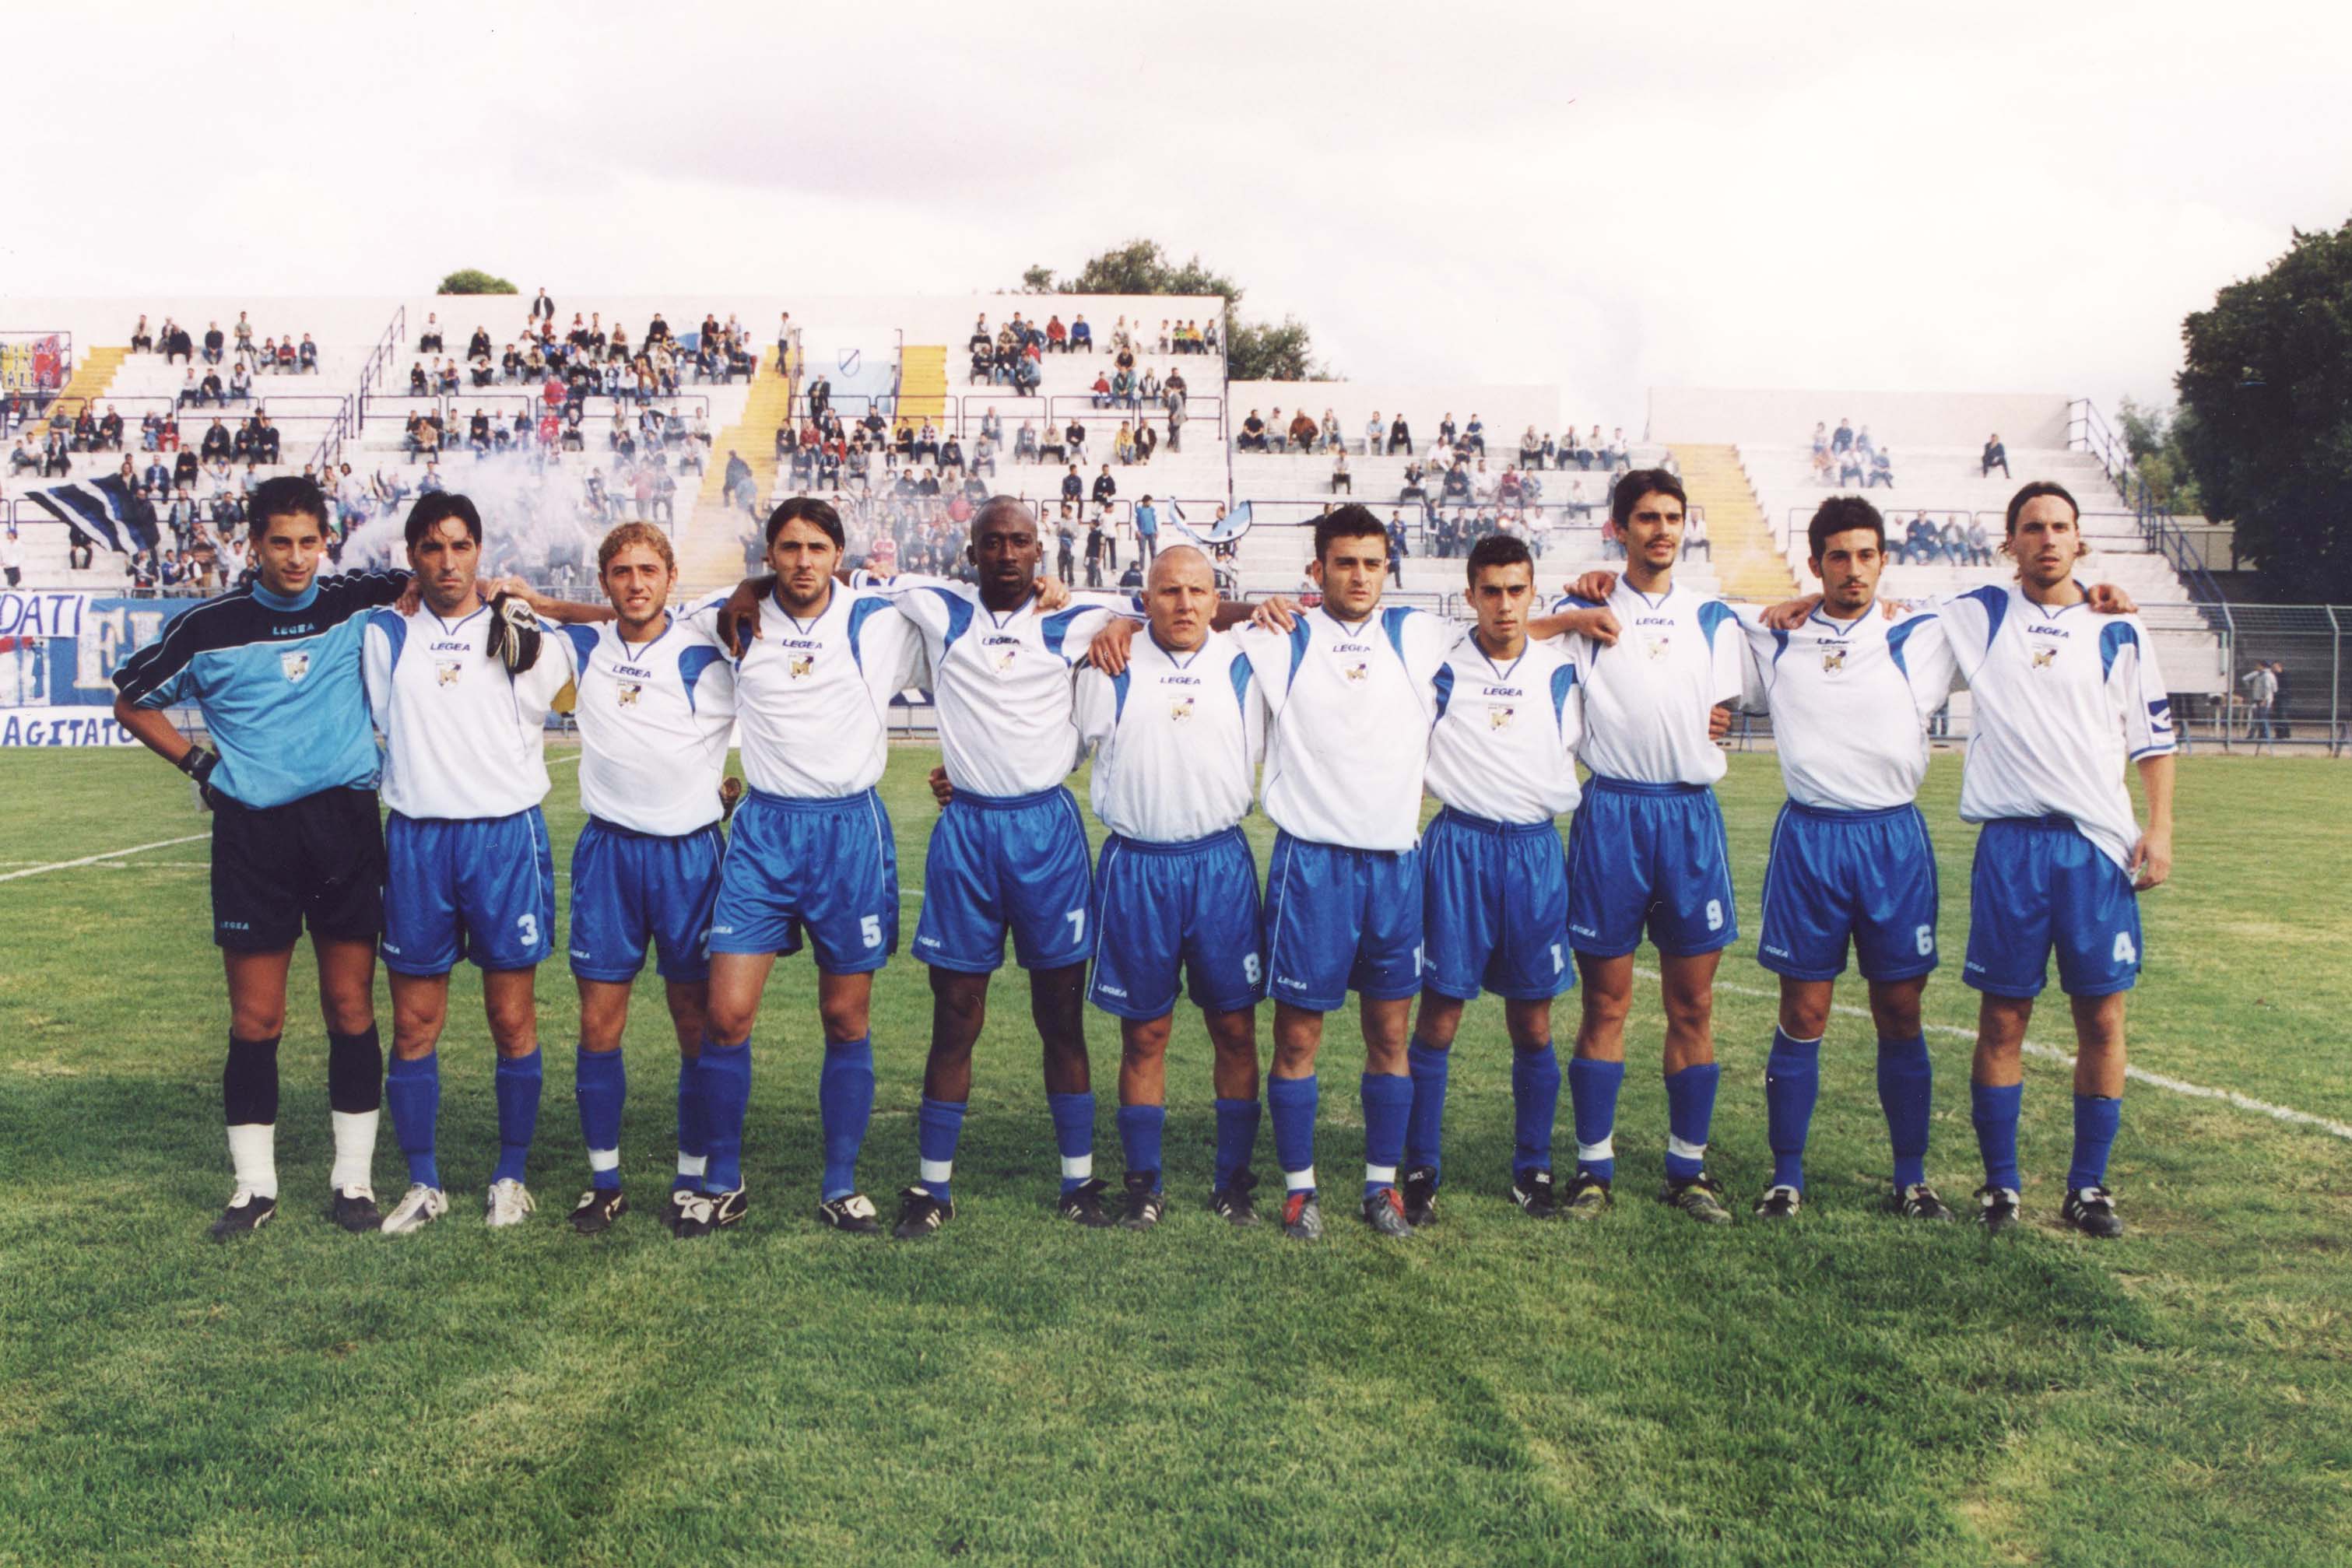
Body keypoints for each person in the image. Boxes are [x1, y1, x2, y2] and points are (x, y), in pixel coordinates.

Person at [109, 477, 416, 1238]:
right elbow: (132, 699)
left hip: (343, 825)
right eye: (279, 541)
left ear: (326, 541)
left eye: (308, 541)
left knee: (350, 1007)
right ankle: (254, 1187)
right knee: (257, 1018)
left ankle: (353, 1180)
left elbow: (438, 579)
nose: (295, 557)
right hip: (254, 836)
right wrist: (200, 767)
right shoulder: (207, 625)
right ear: (252, 544)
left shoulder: (353, 596)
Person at [866, 500, 1135, 1237]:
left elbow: (1172, 610)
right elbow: (841, 586)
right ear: (972, 550)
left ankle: (1078, 1181)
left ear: (1038, 549)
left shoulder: (1072, 617)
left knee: (1061, 1016)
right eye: (994, 542)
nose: (1008, 554)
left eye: (1020, 541)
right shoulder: (938, 607)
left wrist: (1122, 622)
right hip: (970, 832)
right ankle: (931, 1187)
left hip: (1045, 831)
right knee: (954, 1016)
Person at [1938, 482, 2175, 1237]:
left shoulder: (2120, 627)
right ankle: (1999, 1187)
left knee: (2101, 1017)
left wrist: (2160, 828)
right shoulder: (1975, 614)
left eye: (2060, 527)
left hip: (2093, 849)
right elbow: (1869, 622)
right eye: (2031, 527)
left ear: (2080, 539)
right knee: (2002, 1015)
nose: (2046, 539)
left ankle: (2087, 1187)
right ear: (2008, 541)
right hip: (2010, 844)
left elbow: (2153, 739)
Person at [696, 500, 928, 1236]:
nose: (803, 560)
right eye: (789, 547)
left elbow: (985, 624)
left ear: (839, 553)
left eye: (817, 547)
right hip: (764, 831)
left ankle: (840, 1182)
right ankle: (723, 1179)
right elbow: (630, 612)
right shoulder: (730, 616)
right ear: (769, 553)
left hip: (846, 833)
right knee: (726, 1014)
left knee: (844, 1015)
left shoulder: (877, 621)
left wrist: (1088, 609)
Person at [1229, 507, 1458, 1239]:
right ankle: (1300, 1190)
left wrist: (1580, 611)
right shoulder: (1281, 637)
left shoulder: (1416, 634)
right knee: (1297, 1038)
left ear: (1388, 567)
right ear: (1315, 570)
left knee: (1390, 1035)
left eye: (1372, 562)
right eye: (1344, 562)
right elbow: (1185, 614)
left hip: (1394, 863)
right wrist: (1245, 605)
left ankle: (1380, 1188)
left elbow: (1514, 627)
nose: (1359, 576)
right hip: (1313, 866)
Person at [1525, 470, 1746, 1222]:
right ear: (1617, 527)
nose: (1662, 529)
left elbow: (1719, 710)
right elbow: (1507, 632)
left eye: (1673, 517)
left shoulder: (1713, 618)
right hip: (1612, 813)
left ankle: (1689, 1170)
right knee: (1605, 1000)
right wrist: (1569, 612)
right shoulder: (1581, 608)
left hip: (1687, 817)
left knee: (1694, 1001)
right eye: (1646, 517)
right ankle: (1594, 1168)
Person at [363, 494, 584, 1233]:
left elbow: (606, 651)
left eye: (460, 547)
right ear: (412, 556)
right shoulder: (384, 635)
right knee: (416, 1022)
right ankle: (423, 1182)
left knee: (510, 1017)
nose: (447, 562)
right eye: (430, 548)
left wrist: (538, 605)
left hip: (504, 841)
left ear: (480, 552)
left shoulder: (527, 632)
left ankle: (511, 1174)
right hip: (420, 841)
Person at [1056, 546, 1270, 1226]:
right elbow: (1056, 752)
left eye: (1197, 591)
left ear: (1216, 599)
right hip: (1137, 866)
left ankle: (1233, 1179)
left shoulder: (1249, 661)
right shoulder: (1108, 663)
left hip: (1220, 866)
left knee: (1234, 1028)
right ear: (1143, 598)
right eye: (1168, 590)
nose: (1184, 603)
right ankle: (1143, 1183)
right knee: (1143, 1034)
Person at [544, 523, 738, 1236]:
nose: (635, 582)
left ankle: (692, 1173)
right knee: (599, 1024)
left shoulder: (705, 652)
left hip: (689, 857)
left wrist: (735, 787)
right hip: (609, 856)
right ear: (604, 582)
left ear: (671, 575)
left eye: (648, 569)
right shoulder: (583, 646)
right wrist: (532, 598)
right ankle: (604, 1179)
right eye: (621, 571)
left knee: (696, 1023)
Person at [1394, 535, 1585, 1224]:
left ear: (1534, 591)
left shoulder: (1563, 672)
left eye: (1517, 590)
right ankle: (1420, 1165)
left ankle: (1532, 1166)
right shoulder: (1440, 670)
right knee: (1439, 1015)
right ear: (1470, 594)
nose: (1505, 605)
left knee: (1532, 1022)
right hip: (1460, 850)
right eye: (1491, 591)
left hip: (1534, 854)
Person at [1134, 494, 1159, 567]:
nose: (1150, 503)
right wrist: (1136, 531)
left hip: (1152, 532)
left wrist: (1158, 530)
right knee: (1142, 551)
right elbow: (1133, 521)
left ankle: (1154, 566)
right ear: (1145, 501)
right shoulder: (1138, 510)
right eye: (1149, 501)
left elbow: (1157, 520)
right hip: (1142, 533)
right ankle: (1141, 567)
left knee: (1153, 550)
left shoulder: (1153, 510)